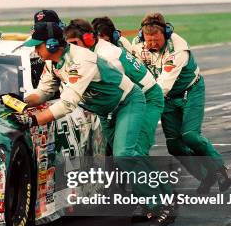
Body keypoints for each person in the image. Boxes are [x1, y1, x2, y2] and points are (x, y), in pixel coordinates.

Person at [2, 22, 177, 226]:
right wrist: (22, 100)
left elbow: (67, 103)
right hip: (106, 110)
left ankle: (162, 206)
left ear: (50, 44)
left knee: (125, 155)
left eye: (37, 45)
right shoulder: (53, 63)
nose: (34, 50)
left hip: (127, 103)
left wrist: (34, 120)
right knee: (127, 156)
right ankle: (165, 196)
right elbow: (45, 92)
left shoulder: (81, 61)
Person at [131, 12, 231, 194]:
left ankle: (219, 167)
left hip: (190, 91)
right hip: (167, 97)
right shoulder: (136, 45)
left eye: (156, 40)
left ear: (166, 34)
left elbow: (163, 85)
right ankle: (205, 175)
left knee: (190, 135)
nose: (152, 44)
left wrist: (142, 103)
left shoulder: (178, 48)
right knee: (174, 145)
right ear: (142, 35)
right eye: (149, 40)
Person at [64, 19, 164, 156]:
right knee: (119, 153)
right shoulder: (88, 52)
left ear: (88, 40)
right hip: (114, 103)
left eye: (74, 43)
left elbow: (121, 90)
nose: (71, 48)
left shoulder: (106, 55)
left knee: (132, 151)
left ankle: (153, 177)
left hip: (145, 97)